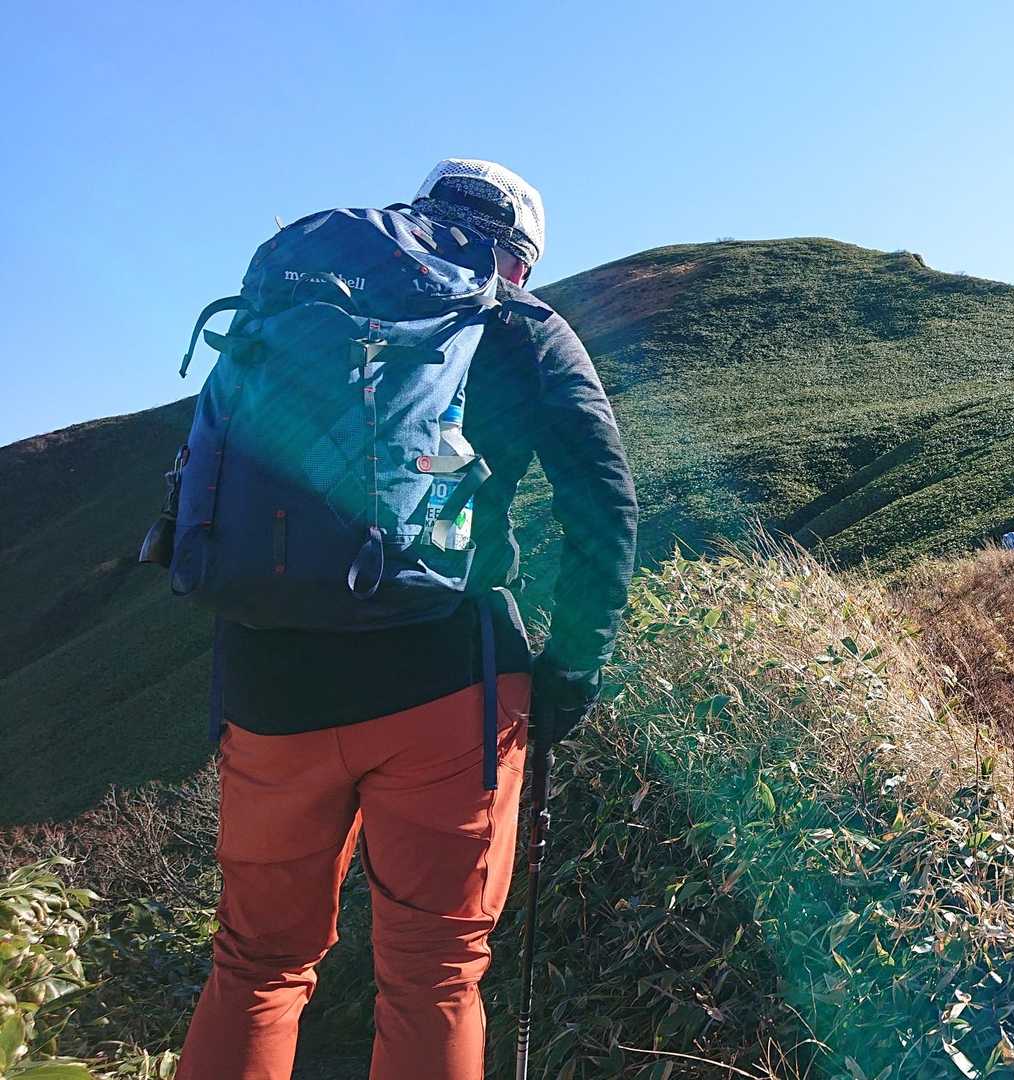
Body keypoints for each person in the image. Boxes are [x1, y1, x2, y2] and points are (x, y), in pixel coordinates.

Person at [177, 160, 639, 1080]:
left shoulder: (298, 299)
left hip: (271, 687)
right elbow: (603, 501)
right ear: (519, 260)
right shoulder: (522, 326)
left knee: (257, 965)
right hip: (448, 687)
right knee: (434, 977)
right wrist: (572, 669)